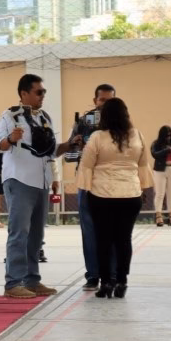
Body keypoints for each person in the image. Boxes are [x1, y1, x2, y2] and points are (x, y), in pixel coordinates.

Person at [0, 74, 76, 298]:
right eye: (38, 92)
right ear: (24, 94)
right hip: (19, 179)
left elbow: (50, 151)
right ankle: (13, 283)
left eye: (44, 92)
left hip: (41, 181)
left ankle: (32, 279)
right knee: (19, 232)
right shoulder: (10, 116)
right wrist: (11, 138)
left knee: (37, 234)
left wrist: (69, 145)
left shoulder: (44, 118)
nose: (42, 96)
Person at [78, 97, 153, 298]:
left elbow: (86, 165)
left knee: (103, 239)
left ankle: (106, 283)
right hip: (130, 194)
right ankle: (122, 281)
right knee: (123, 239)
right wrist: (143, 187)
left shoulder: (97, 137)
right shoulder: (137, 135)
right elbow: (144, 163)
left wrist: (85, 189)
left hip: (102, 195)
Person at [68, 85, 116, 289]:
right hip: (87, 182)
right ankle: (93, 275)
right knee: (89, 230)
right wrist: (75, 145)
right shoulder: (82, 122)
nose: (105, 104)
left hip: (112, 183)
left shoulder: (121, 124)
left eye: (109, 100)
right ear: (95, 100)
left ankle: (112, 275)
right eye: (102, 100)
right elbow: (70, 157)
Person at [150, 125, 171, 226]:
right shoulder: (156, 143)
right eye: (166, 135)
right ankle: (158, 217)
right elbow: (154, 154)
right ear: (162, 135)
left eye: (170, 135)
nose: (168, 137)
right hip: (160, 171)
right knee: (160, 194)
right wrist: (167, 150)